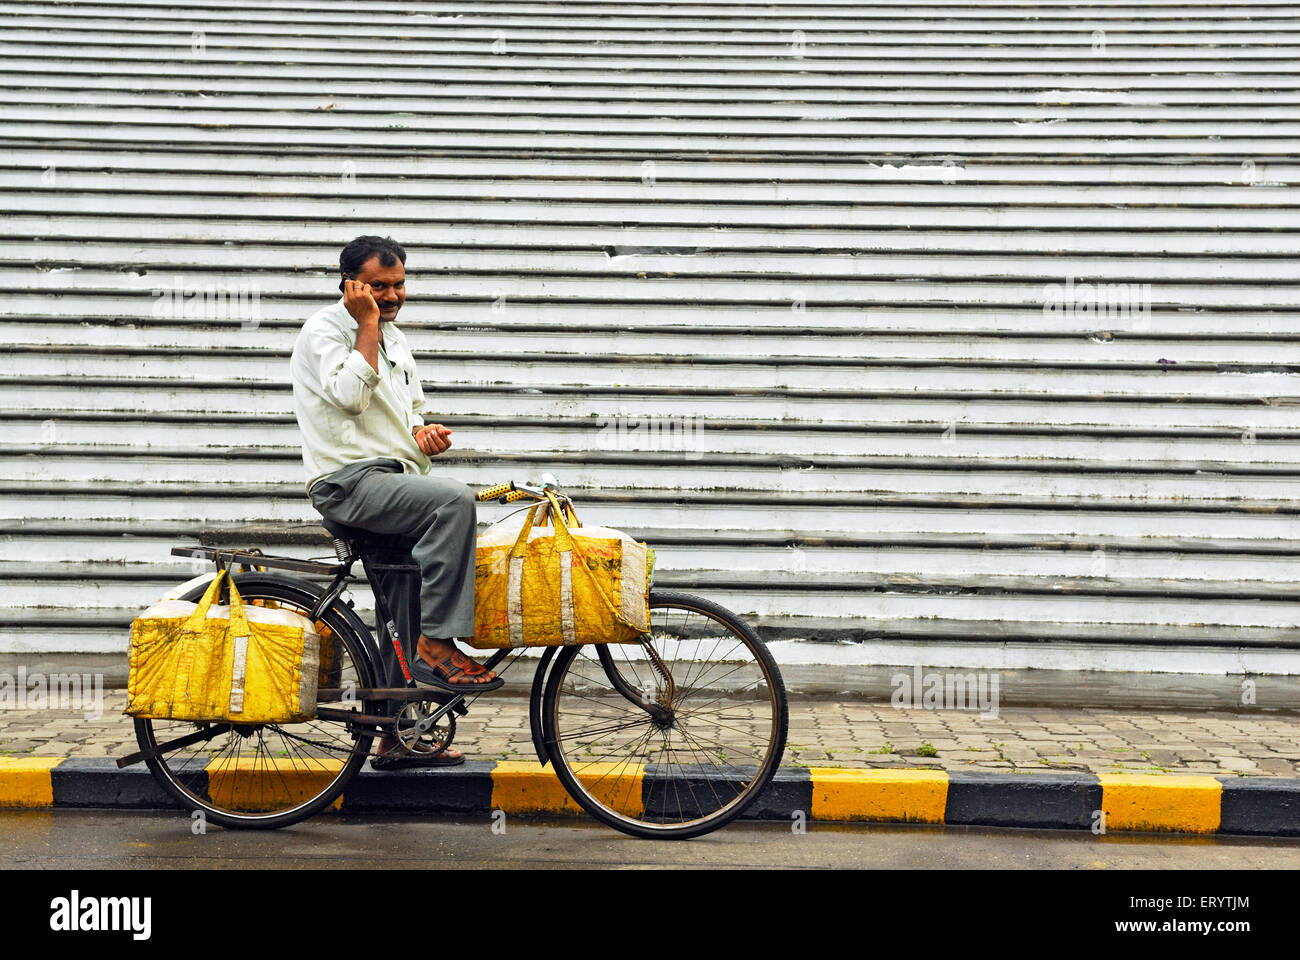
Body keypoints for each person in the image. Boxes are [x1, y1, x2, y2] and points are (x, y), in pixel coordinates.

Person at [289, 235, 502, 769]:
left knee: (399, 607)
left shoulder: (396, 339)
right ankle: (437, 644)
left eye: (399, 284)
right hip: (347, 482)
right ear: (350, 285)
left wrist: (423, 436)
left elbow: (408, 415)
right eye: (379, 286)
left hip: (391, 478)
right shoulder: (324, 331)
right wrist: (364, 324)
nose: (391, 296)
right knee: (454, 503)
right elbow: (350, 397)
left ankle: (395, 738)